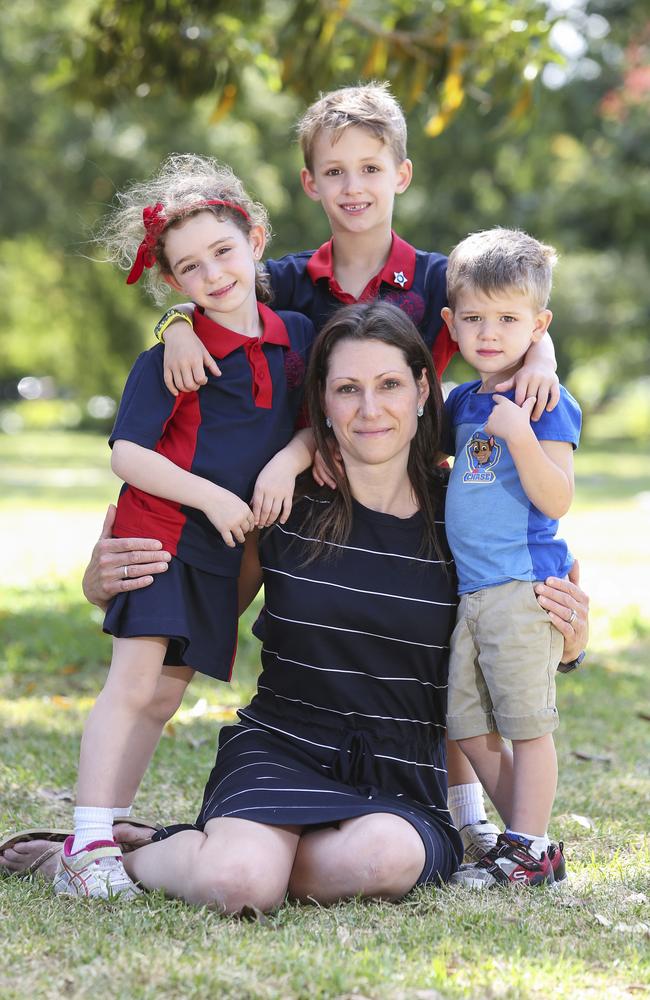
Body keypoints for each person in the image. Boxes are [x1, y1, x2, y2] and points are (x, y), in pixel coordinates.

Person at [1, 303, 587, 912]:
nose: (369, 409)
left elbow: (511, 623)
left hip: (400, 768)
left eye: (388, 385)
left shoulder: (464, 513)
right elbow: (198, 613)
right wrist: (103, 587)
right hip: (282, 745)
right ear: (322, 405)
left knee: (382, 858)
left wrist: (567, 643)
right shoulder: (281, 502)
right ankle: (105, 858)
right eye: (346, 390)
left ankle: (216, 848)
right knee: (237, 887)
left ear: (420, 390)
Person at [138, 82, 567, 862]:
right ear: (310, 184)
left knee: (440, 639)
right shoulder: (291, 280)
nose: (353, 187)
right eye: (334, 172)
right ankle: (207, 833)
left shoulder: (439, 281)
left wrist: (543, 348)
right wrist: (171, 324)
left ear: (401, 174)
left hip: (432, 489)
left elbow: (506, 312)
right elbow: (210, 294)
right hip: (315, 496)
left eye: (370, 168)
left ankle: (465, 810)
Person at [53, 154, 317, 899]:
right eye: (190, 268)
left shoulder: (294, 335)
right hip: (161, 532)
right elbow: (128, 454)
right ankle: (90, 843)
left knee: (166, 694)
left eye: (224, 252)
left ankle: (103, 831)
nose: (213, 274)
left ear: (256, 239)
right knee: (134, 686)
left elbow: (310, 425)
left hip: (221, 546)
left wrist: (286, 465)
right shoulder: (170, 356)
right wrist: (210, 496)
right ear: (173, 283)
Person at [440, 228, 582, 888]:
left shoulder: (544, 402)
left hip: (524, 588)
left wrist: (522, 435)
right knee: (466, 720)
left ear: (538, 325)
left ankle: (528, 844)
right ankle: (514, 841)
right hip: (471, 593)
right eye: (473, 318)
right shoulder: (463, 402)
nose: (488, 333)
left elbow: (555, 499)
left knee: (526, 725)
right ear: (451, 323)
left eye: (507, 319)